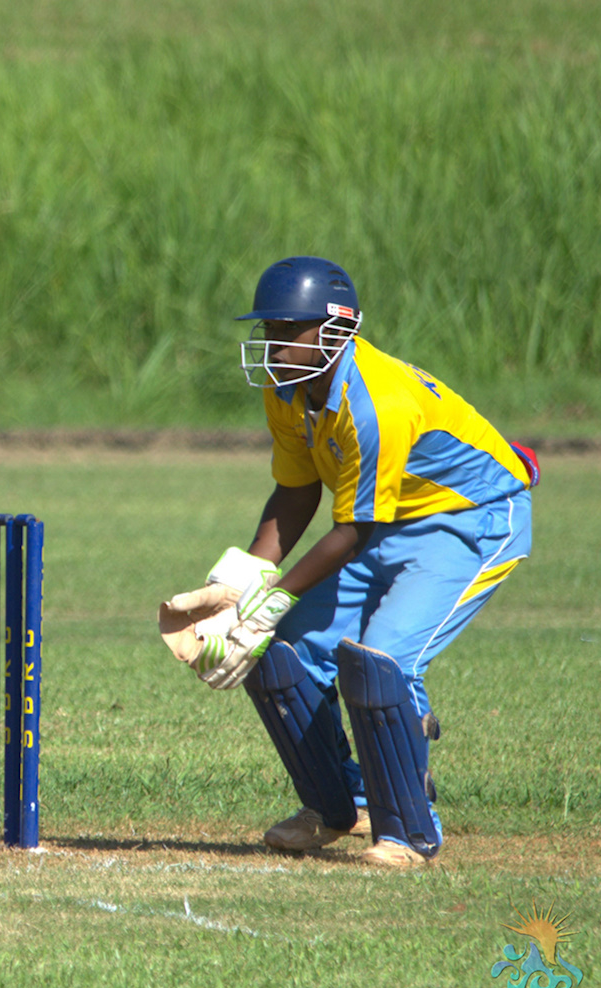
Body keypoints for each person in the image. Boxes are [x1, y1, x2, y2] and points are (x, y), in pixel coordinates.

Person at [159, 256, 535, 868]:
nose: (274, 345)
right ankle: (341, 805)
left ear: (334, 331)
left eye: (289, 330)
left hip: (469, 519)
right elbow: (298, 489)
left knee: (382, 660)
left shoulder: (375, 401)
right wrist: (240, 586)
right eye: (269, 331)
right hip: (381, 521)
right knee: (276, 652)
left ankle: (409, 832)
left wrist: (273, 600)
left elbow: (354, 530)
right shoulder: (289, 389)